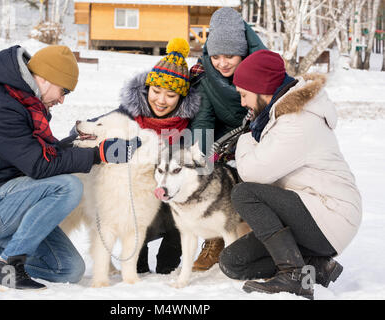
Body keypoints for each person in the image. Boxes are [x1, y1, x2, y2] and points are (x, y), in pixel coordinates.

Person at [0, 45, 140, 291]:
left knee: (69, 268)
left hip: (12, 199)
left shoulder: (24, 101)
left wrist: (81, 142)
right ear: (47, 79)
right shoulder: (0, 107)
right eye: (64, 91)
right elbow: (38, 165)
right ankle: (7, 265)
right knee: (68, 187)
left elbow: (42, 155)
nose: (61, 99)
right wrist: (97, 155)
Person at [218, 50, 362, 299]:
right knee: (233, 262)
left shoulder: (298, 120)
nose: (242, 103)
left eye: (244, 95)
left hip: (330, 213)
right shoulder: (275, 115)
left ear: (262, 89)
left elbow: (254, 173)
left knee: (245, 193)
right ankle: (316, 267)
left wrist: (244, 140)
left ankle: (294, 275)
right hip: (308, 210)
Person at [189, 7, 266, 273]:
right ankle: (213, 238)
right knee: (205, 175)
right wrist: (204, 156)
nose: (222, 63)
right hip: (223, 139)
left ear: (243, 52)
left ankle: (256, 240)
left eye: (230, 56)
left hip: (257, 136)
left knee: (255, 180)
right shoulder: (205, 74)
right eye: (216, 56)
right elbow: (202, 118)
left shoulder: (263, 69)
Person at [113, 38, 200, 274]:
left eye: (171, 95)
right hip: (136, 192)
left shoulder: (188, 126)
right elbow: (99, 129)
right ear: (147, 88)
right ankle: (136, 258)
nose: (161, 100)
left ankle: (169, 258)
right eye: (156, 91)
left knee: (182, 200)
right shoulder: (129, 112)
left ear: (181, 97)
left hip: (171, 192)